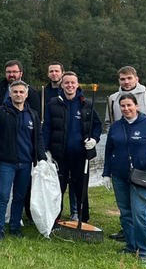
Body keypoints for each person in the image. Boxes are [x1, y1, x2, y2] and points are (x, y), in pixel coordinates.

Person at [104, 65, 146, 251]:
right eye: (122, 79)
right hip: (121, 166)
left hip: (143, 167)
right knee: (127, 211)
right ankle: (131, 242)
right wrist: (108, 171)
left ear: (136, 78)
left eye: (129, 78)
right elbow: (110, 128)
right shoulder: (113, 99)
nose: (126, 82)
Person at [0, 80, 46, 239]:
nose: (18, 94)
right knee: (3, 195)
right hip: (6, 162)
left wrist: (42, 158)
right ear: (10, 93)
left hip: (25, 163)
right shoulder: (0, 112)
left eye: (21, 92)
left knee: (19, 196)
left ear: (26, 94)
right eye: (15, 92)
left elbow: (38, 139)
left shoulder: (33, 115)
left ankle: (15, 226)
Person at [42, 72, 102, 223]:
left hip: (81, 155)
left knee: (80, 188)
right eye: (66, 83)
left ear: (77, 84)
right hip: (59, 155)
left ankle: (83, 219)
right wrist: (45, 150)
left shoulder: (86, 103)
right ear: (62, 85)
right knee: (58, 188)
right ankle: (55, 218)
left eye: (72, 83)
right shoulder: (53, 103)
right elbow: (47, 128)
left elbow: (97, 125)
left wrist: (94, 139)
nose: (70, 86)